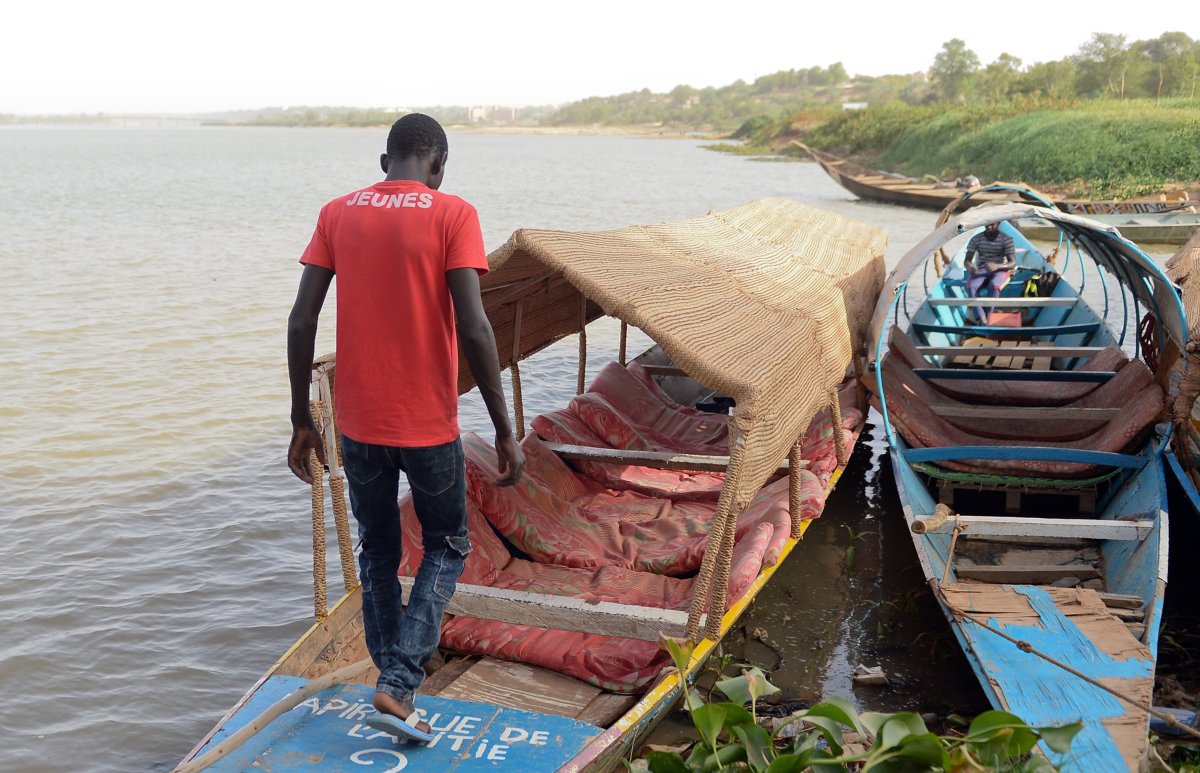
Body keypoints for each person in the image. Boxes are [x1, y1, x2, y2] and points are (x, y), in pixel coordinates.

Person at [286, 113, 524, 742]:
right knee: (447, 547)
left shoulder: (337, 212)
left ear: (383, 158)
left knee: (378, 551)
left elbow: (300, 321)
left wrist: (300, 417)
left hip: (358, 425)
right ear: (438, 163)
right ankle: (397, 684)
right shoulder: (452, 213)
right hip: (426, 425)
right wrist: (503, 429)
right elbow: (474, 326)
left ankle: (391, 683)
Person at [963, 221, 1016, 324]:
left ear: (998, 224)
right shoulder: (976, 239)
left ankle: (990, 316)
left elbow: (1013, 263)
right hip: (981, 270)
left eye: (992, 224)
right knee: (970, 286)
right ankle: (982, 318)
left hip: (1001, 271)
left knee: (994, 285)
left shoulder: (1006, 239)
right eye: (987, 224)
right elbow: (967, 261)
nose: (989, 226)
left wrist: (997, 266)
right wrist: (972, 268)